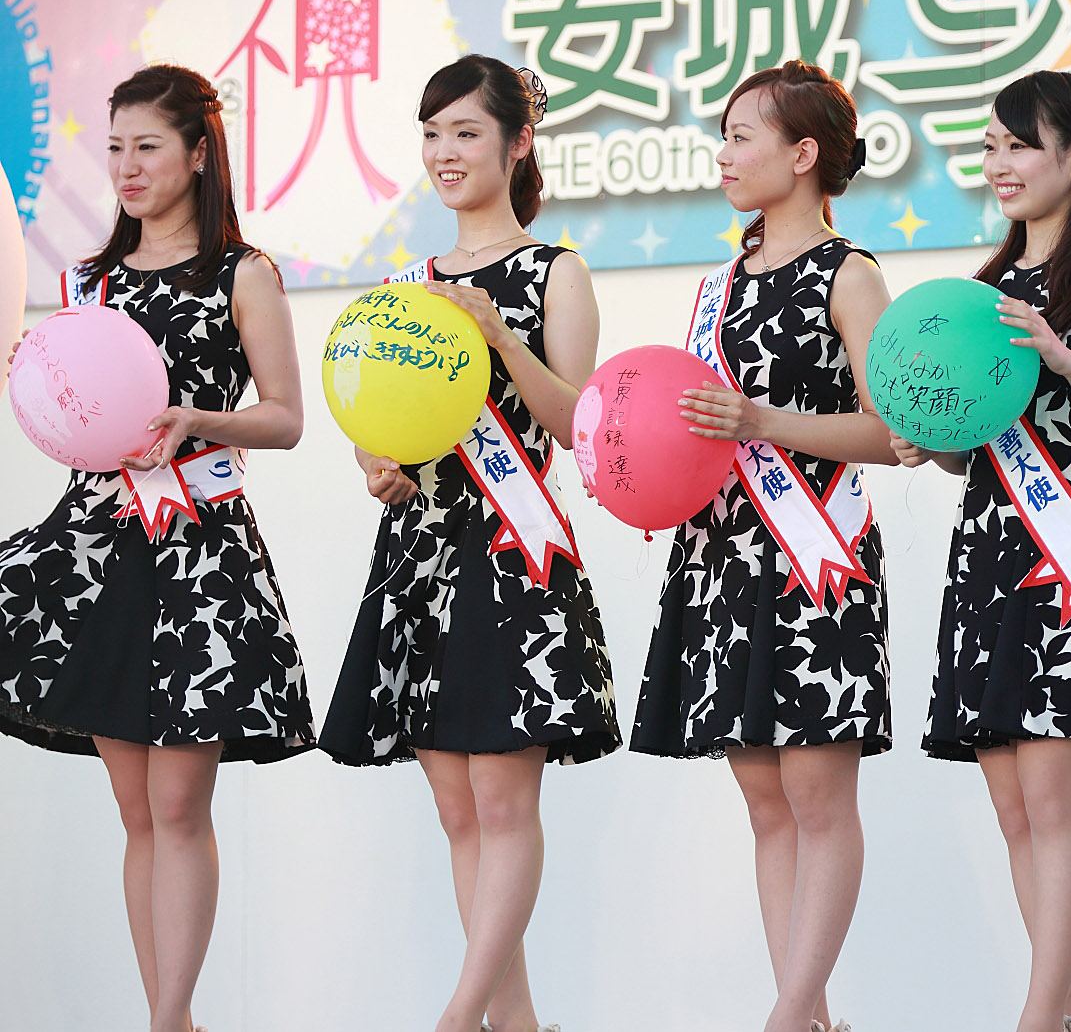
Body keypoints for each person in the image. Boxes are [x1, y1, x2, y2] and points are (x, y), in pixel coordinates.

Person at [0, 63, 315, 1032]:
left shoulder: (242, 273)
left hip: (198, 553)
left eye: (148, 147)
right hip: (99, 550)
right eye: (115, 148)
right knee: (136, 809)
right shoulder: (85, 282)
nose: (127, 168)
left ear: (199, 153)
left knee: (180, 803)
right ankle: (166, 1017)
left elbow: (286, 417)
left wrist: (198, 419)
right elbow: (72, 416)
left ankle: (172, 1017)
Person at [319, 55, 618, 1032]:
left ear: (517, 142)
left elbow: (579, 425)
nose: (444, 153)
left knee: (502, 798)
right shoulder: (405, 285)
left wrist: (502, 336)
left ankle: (457, 1015)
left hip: (514, 551)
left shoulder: (554, 271)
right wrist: (374, 460)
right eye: (432, 133)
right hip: (421, 554)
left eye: (466, 132)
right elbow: (371, 410)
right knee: (457, 809)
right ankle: (514, 1023)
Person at [892, 69, 1071, 1032]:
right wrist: (927, 438)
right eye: (991, 147)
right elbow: (970, 445)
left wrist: (1063, 355)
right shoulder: (980, 291)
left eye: (1019, 145)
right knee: (1013, 807)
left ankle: (1039, 1017)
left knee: (1055, 804)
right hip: (991, 559)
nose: (999, 164)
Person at [629, 60, 895, 1032]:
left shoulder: (850, 275)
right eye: (725, 136)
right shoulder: (717, 288)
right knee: (763, 797)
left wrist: (762, 420)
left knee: (818, 792)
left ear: (804, 152)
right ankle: (809, 1014)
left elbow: (892, 433)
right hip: (724, 557)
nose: (726, 154)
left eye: (744, 136)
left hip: (815, 555)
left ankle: (785, 1013)